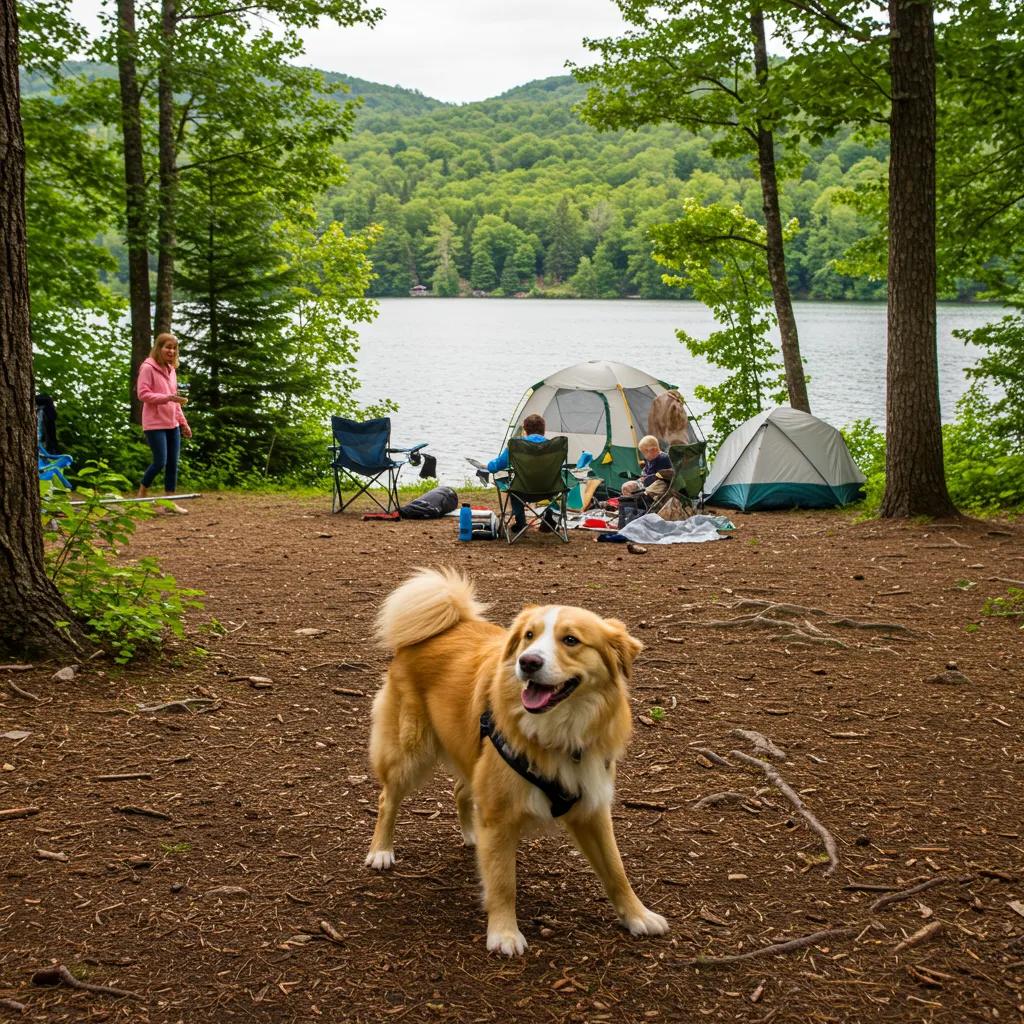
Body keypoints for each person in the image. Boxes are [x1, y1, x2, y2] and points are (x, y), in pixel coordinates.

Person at [136, 332, 192, 514]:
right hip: (154, 423)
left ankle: (170, 502)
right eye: (168, 347)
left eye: (174, 348)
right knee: (160, 461)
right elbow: (142, 394)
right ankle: (142, 493)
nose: (171, 351)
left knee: (172, 463)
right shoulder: (148, 368)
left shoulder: (171, 370)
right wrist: (166, 397)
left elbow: (175, 401)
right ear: (158, 348)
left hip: (171, 423)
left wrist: (183, 423)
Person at [487, 413, 546, 532]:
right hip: (550, 489)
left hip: (522, 490)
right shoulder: (554, 445)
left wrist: (489, 466)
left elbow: (496, 466)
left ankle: (521, 523)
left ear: (525, 430)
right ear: (543, 431)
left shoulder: (516, 445)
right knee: (558, 490)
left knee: (514, 490)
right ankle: (551, 517)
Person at [621, 435, 672, 508]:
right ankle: (630, 505)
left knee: (657, 485)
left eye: (644, 453)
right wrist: (642, 476)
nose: (644, 456)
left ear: (654, 450)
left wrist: (647, 479)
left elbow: (663, 475)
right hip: (646, 483)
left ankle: (644, 505)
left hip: (659, 485)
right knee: (626, 486)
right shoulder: (649, 459)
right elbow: (645, 470)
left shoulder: (663, 459)